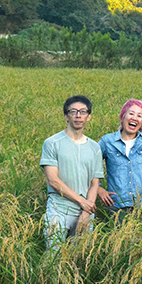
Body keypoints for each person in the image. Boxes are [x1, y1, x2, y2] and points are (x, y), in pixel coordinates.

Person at [40, 95, 104, 250]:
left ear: (89, 117)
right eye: (73, 111)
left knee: (79, 258)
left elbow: (95, 183)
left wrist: (86, 212)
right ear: (65, 116)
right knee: (54, 257)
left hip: (85, 212)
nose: (78, 115)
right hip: (58, 209)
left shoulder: (95, 148)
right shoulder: (52, 143)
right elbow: (53, 180)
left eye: (83, 111)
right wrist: (82, 202)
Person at [97, 99, 142, 223]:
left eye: (139, 115)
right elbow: (89, 165)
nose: (134, 118)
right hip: (116, 206)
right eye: (131, 113)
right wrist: (99, 189)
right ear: (123, 116)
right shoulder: (107, 141)